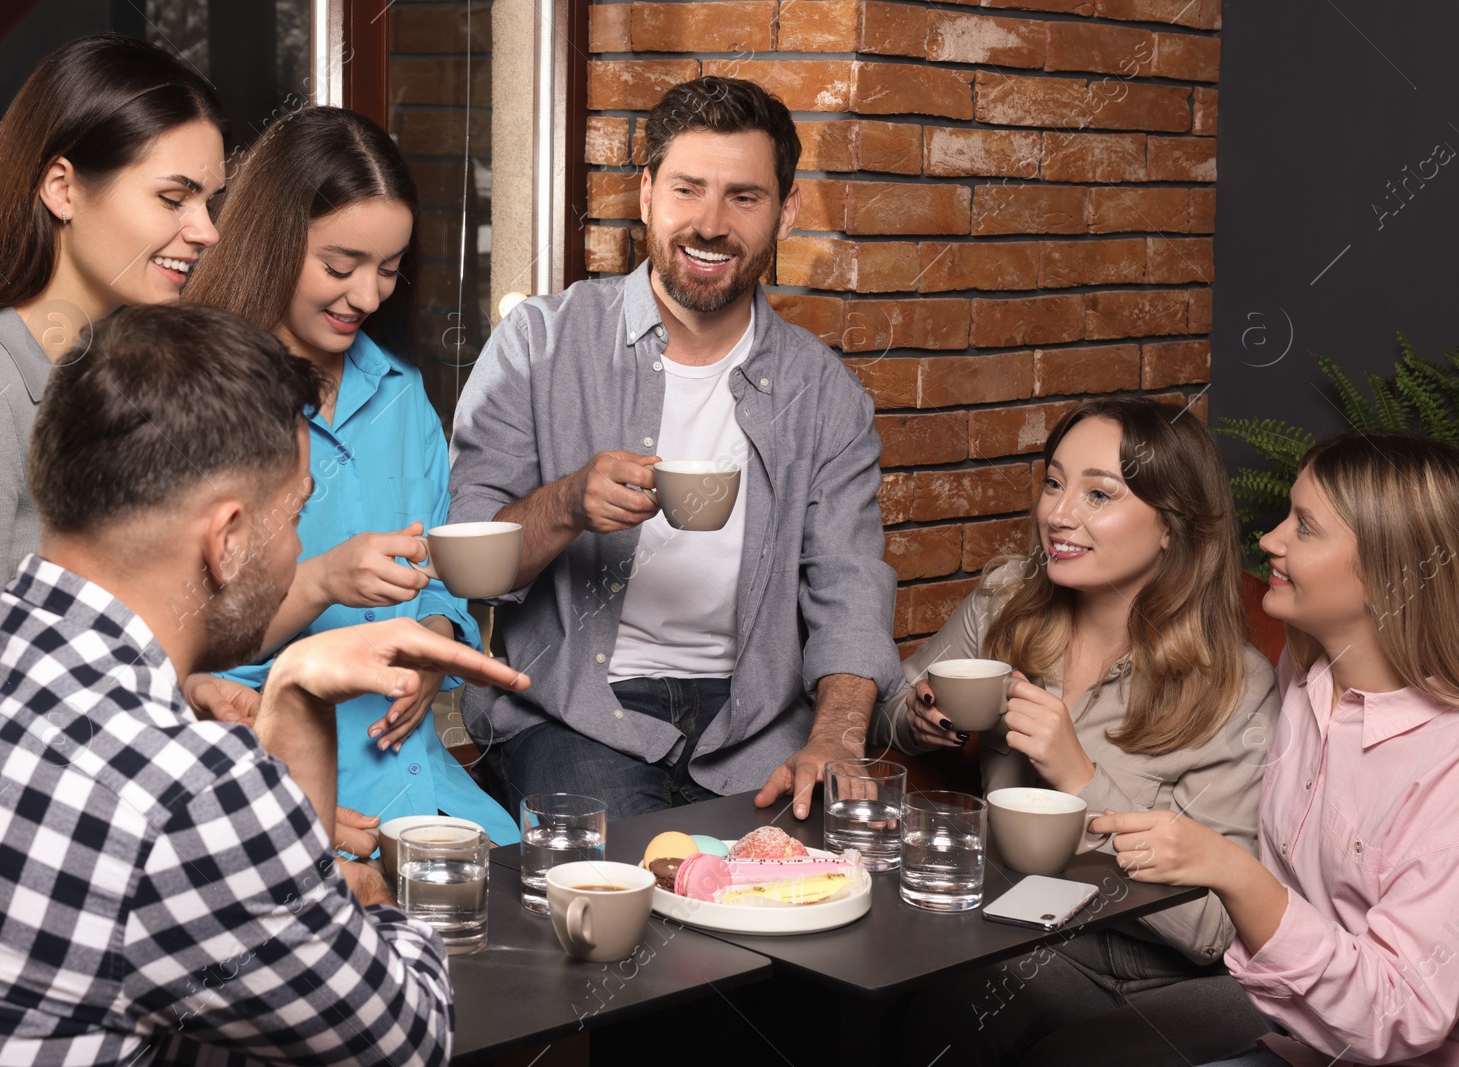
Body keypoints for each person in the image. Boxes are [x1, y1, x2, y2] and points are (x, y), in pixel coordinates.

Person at [0, 304, 529, 1064]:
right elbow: (405, 1039)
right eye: (300, 511)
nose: (302, 546)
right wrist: (362, 898)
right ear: (228, 538)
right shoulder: (188, 796)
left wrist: (294, 684)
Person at [448, 75, 902, 821]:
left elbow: (850, 585)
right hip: (575, 713)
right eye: (688, 189)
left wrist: (837, 738)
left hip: (753, 724)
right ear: (647, 192)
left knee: (804, 894)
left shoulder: (822, 390)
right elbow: (471, 563)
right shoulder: (539, 345)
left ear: (785, 212)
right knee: (641, 890)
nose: (711, 224)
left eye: (744, 197)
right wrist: (567, 504)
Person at [872, 397, 1282, 1065]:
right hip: (1038, 939)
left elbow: (1210, 930)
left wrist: (1078, 777)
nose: (1059, 514)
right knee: (933, 1014)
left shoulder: (1236, 684)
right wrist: (916, 721)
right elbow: (887, 709)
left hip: (1178, 981)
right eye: (1056, 482)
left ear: (1172, 526)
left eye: (1099, 494)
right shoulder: (1007, 604)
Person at [0, 35, 229, 706]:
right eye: (175, 199)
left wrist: (182, 700)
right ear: (63, 188)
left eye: (210, 200)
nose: (207, 231)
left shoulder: (99, 365)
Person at [183, 105, 515, 846]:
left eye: (389, 270)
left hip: (428, 789)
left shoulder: (401, 394)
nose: (366, 296)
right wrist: (323, 580)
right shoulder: (193, 398)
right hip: (276, 798)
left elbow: (438, 576)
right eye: (340, 267)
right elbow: (175, 641)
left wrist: (431, 643)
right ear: (270, 239)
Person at [1097, 432, 1459, 1067]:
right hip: (1273, 1010)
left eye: (1307, 528)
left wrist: (1236, 875)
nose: (1270, 540)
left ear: (1388, 571)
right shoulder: (1306, 664)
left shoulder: (1446, 767)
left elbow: (1399, 1016)